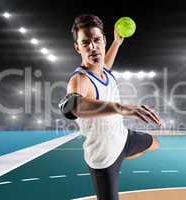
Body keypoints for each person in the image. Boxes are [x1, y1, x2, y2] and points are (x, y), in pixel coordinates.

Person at [60, 14, 162, 200]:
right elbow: (73, 106)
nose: (93, 47)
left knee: (155, 143)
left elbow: (104, 64)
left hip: (123, 138)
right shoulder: (80, 80)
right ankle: (119, 160)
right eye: (85, 43)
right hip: (103, 157)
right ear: (77, 47)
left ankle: (125, 155)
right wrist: (122, 108)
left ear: (103, 40)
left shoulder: (103, 70)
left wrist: (116, 43)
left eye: (97, 40)